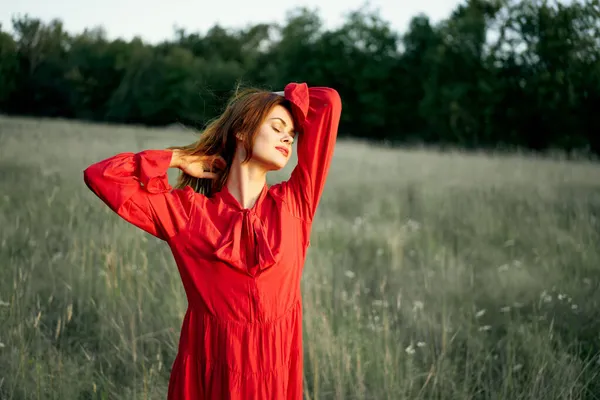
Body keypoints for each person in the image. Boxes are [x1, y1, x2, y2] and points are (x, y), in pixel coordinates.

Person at [83, 82, 342, 399]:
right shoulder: (188, 214)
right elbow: (102, 176)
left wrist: (276, 98)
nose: (289, 137)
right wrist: (179, 157)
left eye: (292, 132)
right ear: (242, 131)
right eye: (276, 127)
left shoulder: (296, 203)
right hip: (209, 377)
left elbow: (328, 101)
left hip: (275, 378)